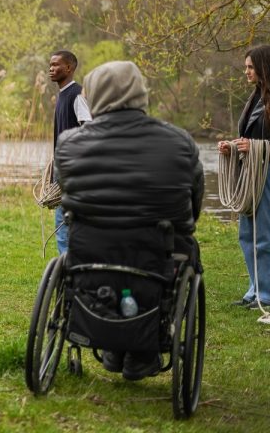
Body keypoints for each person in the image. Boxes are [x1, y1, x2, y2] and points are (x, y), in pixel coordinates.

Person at [55, 60, 203, 380]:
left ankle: (112, 343)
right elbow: (193, 205)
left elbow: (66, 191)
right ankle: (141, 350)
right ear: (140, 92)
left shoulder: (70, 143)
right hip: (157, 252)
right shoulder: (179, 142)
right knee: (182, 250)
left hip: (89, 251)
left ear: (93, 95)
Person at [218, 44, 270, 309]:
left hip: (266, 173)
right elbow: (250, 137)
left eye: (250, 67)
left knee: (264, 234)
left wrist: (258, 148)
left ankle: (267, 293)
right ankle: (254, 289)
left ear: (263, 67)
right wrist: (232, 146)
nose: (246, 72)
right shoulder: (255, 97)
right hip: (251, 171)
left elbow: (259, 141)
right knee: (246, 234)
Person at [49, 50, 92, 255]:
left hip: (72, 168)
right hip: (62, 166)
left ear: (69, 68)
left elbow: (88, 130)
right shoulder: (62, 94)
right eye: (50, 65)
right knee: (63, 220)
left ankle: (67, 268)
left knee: (63, 221)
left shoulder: (76, 95)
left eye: (56, 65)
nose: (51, 69)